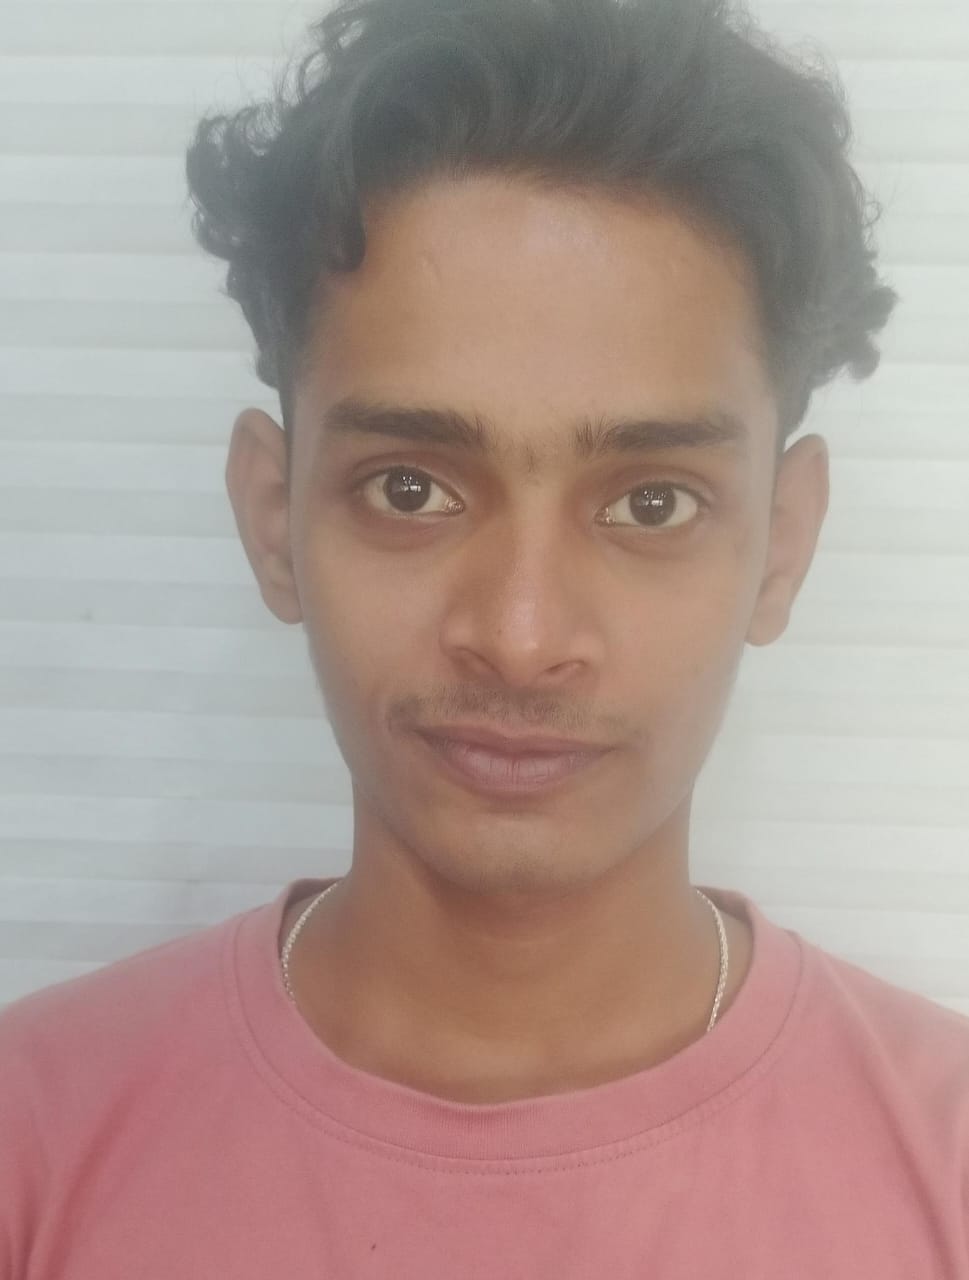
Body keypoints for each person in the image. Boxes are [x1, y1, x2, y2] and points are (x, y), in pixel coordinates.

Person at [2, 0, 967, 1274]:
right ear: (274, 519)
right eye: (411, 489)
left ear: (782, 543)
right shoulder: (31, 1143)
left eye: (651, 503)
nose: (520, 636)